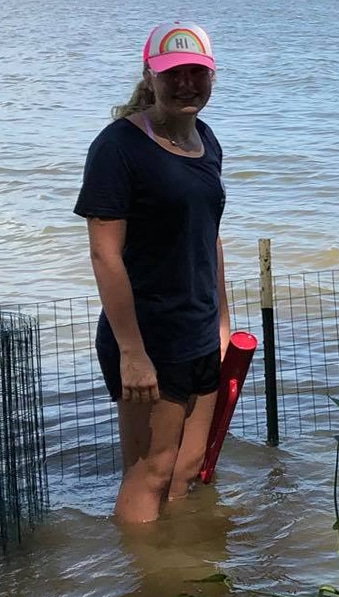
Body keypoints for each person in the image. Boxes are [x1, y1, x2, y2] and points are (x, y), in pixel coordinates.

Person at [74, 21, 230, 523]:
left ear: (212, 76)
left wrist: (223, 322)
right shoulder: (118, 147)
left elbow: (209, 236)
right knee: (151, 473)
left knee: (187, 468)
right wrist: (132, 353)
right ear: (150, 75)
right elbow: (105, 255)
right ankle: (143, 580)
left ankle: (177, 569)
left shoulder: (206, 139)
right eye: (173, 73)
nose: (186, 83)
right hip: (147, 336)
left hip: (200, 330)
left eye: (196, 72)